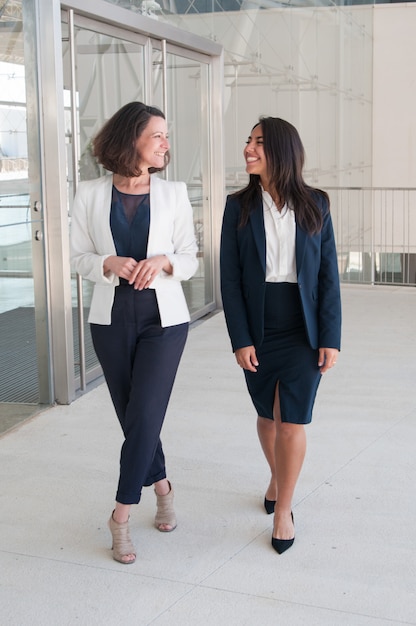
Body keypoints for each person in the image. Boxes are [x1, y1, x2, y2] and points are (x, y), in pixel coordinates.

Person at [70, 102, 198, 564]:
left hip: (164, 320)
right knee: (134, 417)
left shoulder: (174, 193)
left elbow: (189, 256)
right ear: (132, 140)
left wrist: (163, 261)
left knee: (144, 411)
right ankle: (162, 486)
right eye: (158, 135)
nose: (166, 143)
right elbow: (77, 255)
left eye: (165, 136)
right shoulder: (89, 194)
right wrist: (105, 263)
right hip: (110, 319)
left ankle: (121, 514)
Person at [220, 116, 341, 554]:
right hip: (258, 324)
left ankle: (285, 507)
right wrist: (240, 338)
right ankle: (277, 475)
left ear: (283, 151)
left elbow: (328, 276)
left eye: (259, 143)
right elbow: (229, 280)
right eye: (248, 141)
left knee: (292, 419)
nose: (249, 149)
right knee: (267, 416)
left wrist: (331, 337)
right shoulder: (238, 206)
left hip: (303, 327)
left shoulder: (316, 204)